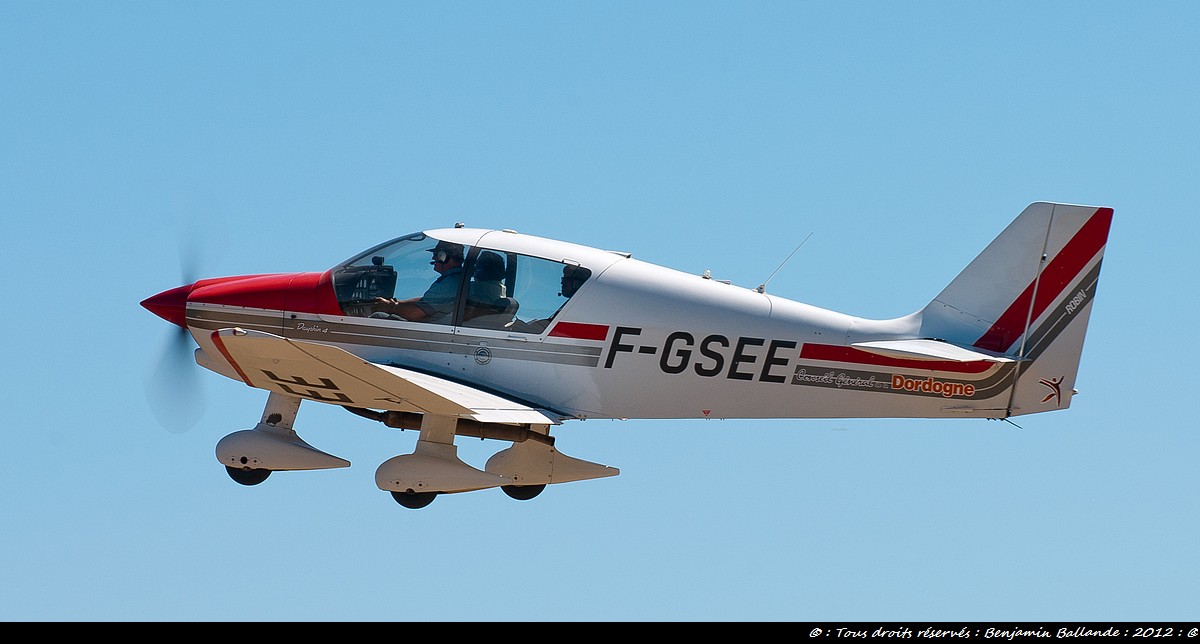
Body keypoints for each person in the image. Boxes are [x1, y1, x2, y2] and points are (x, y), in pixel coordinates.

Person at [371, 240, 465, 323]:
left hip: (431, 330)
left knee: (378, 316)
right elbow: (426, 301)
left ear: (444, 256)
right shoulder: (457, 281)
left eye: (436, 255)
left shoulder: (448, 285)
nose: (433, 258)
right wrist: (397, 302)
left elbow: (414, 313)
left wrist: (390, 307)